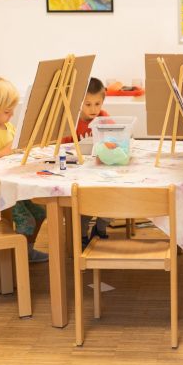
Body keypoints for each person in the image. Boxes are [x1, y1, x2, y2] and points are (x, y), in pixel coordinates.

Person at [0, 75, 48, 263]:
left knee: (41, 212)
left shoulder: (8, 126)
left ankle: (27, 250)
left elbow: (16, 148)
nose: (11, 115)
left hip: (13, 182)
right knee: (27, 220)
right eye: (7, 112)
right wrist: (9, 150)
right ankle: (18, 256)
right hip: (0, 189)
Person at [62, 78, 110, 242]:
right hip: (78, 176)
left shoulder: (104, 118)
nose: (93, 109)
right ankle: (82, 236)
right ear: (79, 102)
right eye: (88, 104)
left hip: (101, 173)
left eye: (98, 104)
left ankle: (100, 229)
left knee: (112, 200)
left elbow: (115, 141)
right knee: (84, 206)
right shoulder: (71, 122)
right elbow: (62, 150)